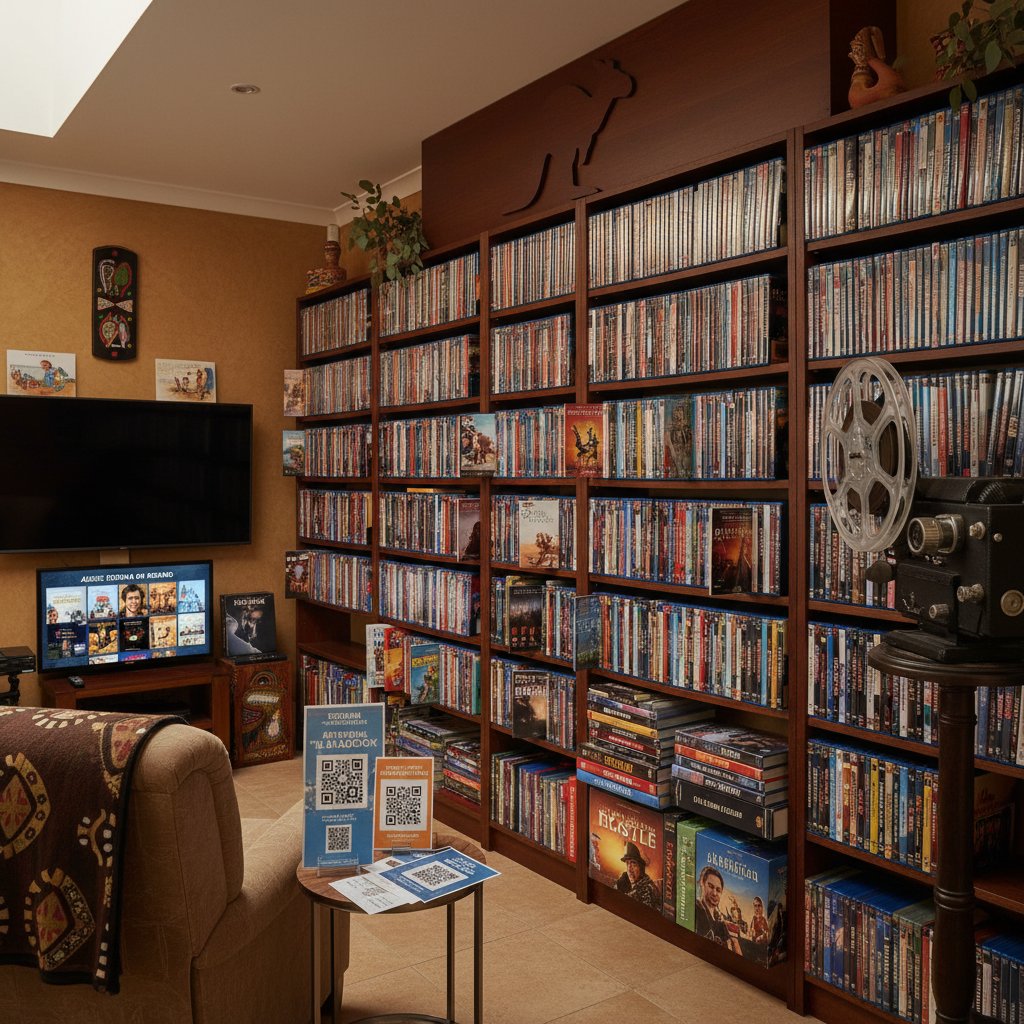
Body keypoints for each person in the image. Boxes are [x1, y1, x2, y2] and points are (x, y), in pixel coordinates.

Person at [614, 841, 660, 910]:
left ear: (641, 867)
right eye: (627, 864)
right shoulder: (623, 881)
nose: (629, 869)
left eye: (633, 863)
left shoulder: (648, 889)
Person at [694, 865, 732, 946]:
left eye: (718, 890)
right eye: (710, 886)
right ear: (702, 884)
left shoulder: (720, 920)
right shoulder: (695, 908)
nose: (714, 893)